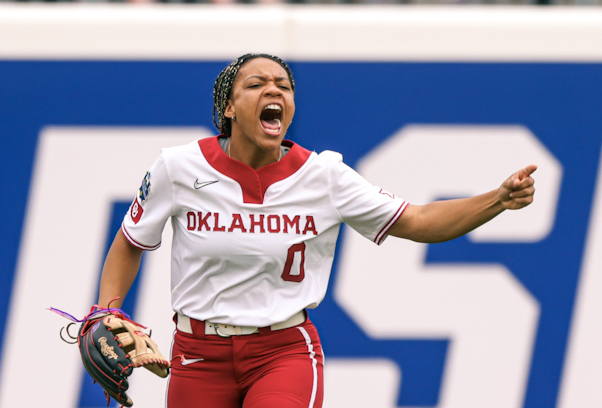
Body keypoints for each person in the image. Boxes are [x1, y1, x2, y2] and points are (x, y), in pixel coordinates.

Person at [96, 53, 536, 408]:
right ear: (228, 107)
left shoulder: (324, 175)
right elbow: (128, 244)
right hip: (196, 353)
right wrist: (106, 313)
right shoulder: (179, 167)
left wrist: (497, 199)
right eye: (256, 84)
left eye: (284, 86)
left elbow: (417, 221)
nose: (274, 90)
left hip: (282, 352)